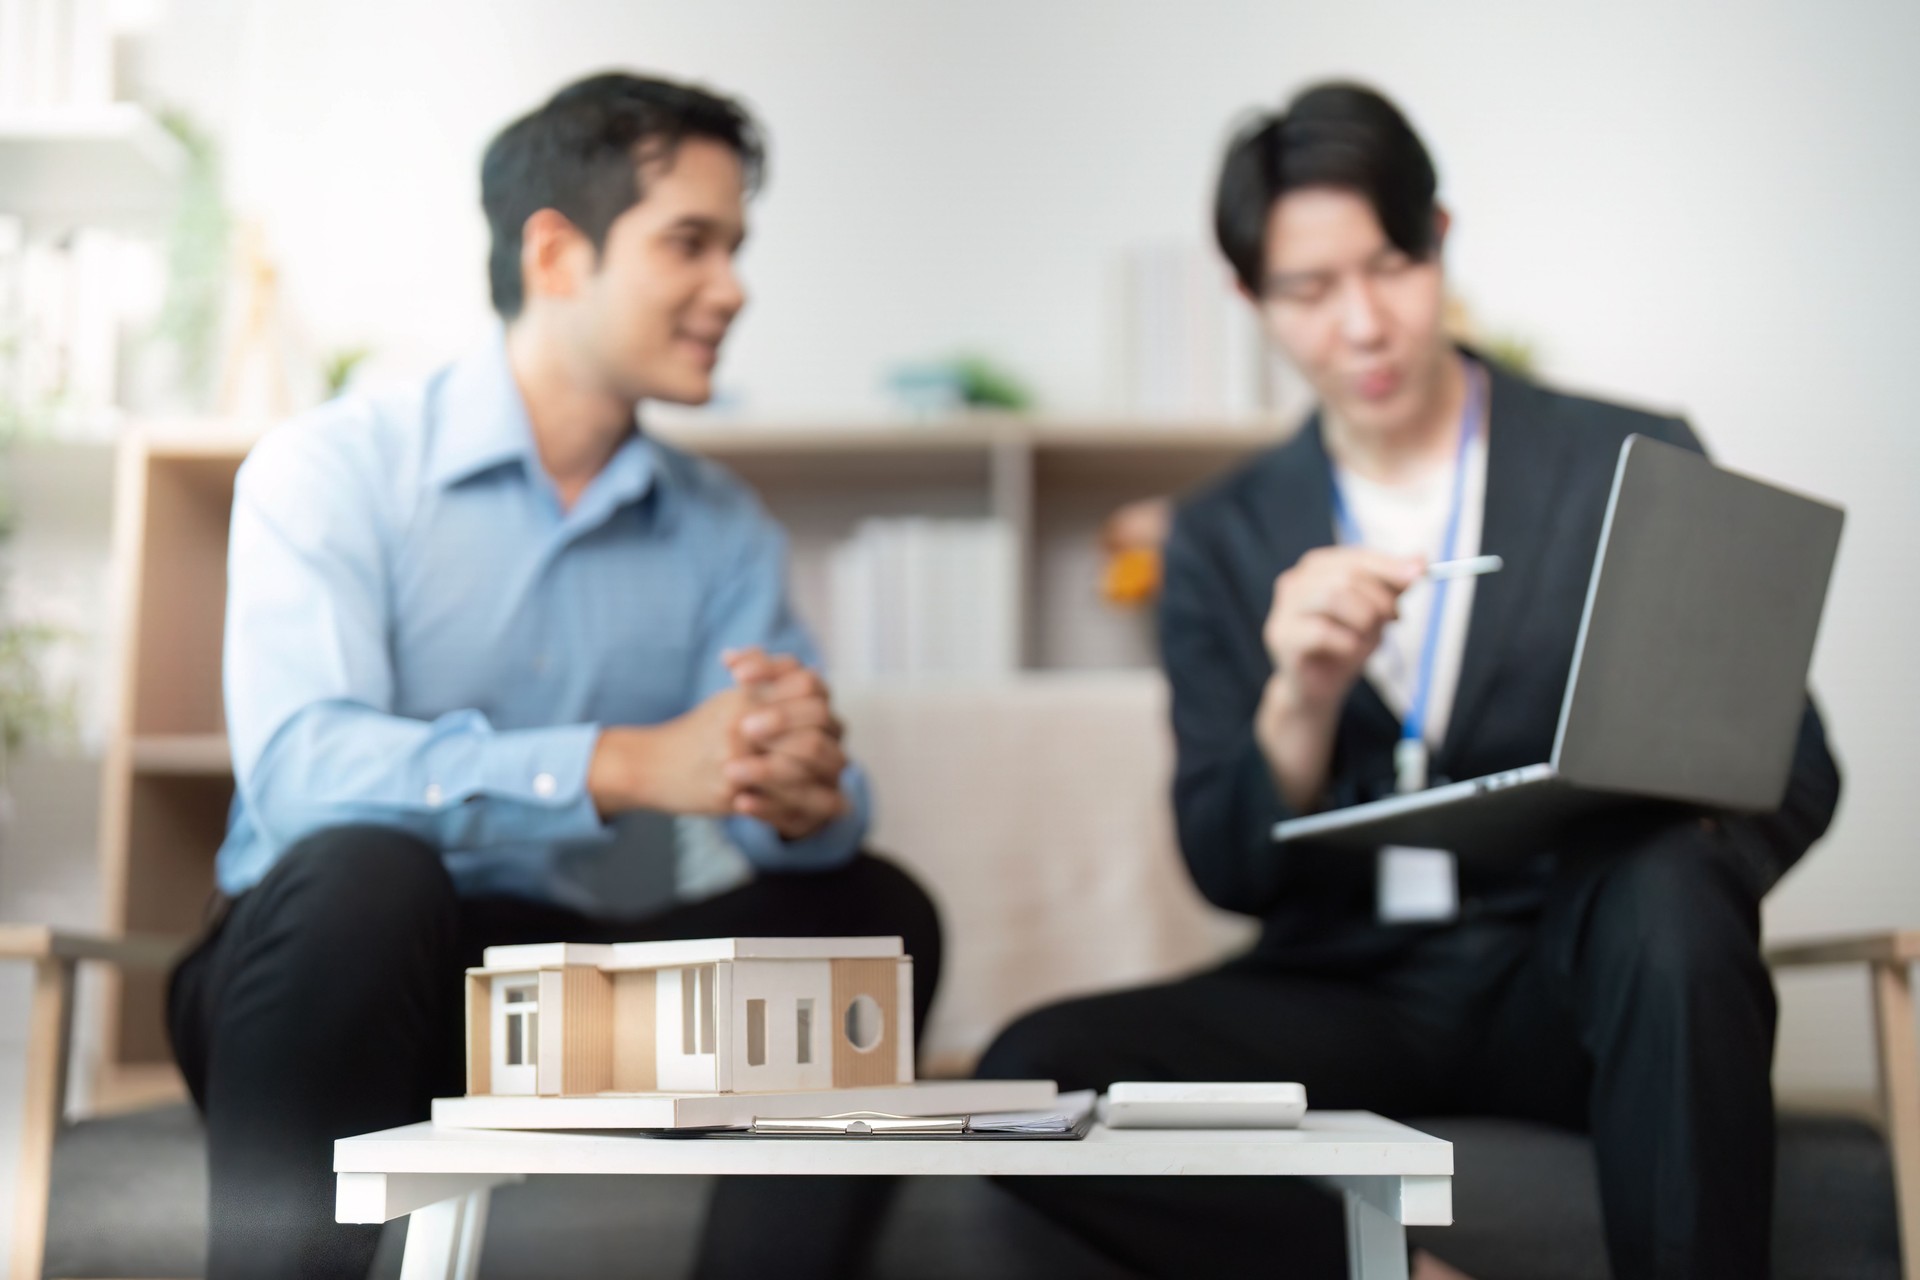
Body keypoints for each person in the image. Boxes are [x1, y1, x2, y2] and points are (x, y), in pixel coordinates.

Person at [978, 82, 1838, 1279]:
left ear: (1439, 239)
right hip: (1350, 987)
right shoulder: (1220, 533)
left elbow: (1793, 760)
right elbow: (1226, 865)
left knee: (1672, 892)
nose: (1364, 324)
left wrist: (1663, 843)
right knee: (1027, 1075)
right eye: (1309, 290)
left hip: (1572, 976)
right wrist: (1301, 695)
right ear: (1249, 298)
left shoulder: (1615, 461)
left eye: (1390, 267)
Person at [166, 71, 941, 1280]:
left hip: (561, 1005)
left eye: (736, 248)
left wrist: (801, 791)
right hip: (323, 975)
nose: (733, 288)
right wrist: (624, 764)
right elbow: (302, 773)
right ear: (556, 253)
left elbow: (786, 801)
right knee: (371, 874)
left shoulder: (722, 528)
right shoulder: (333, 468)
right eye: (690, 243)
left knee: (875, 909)